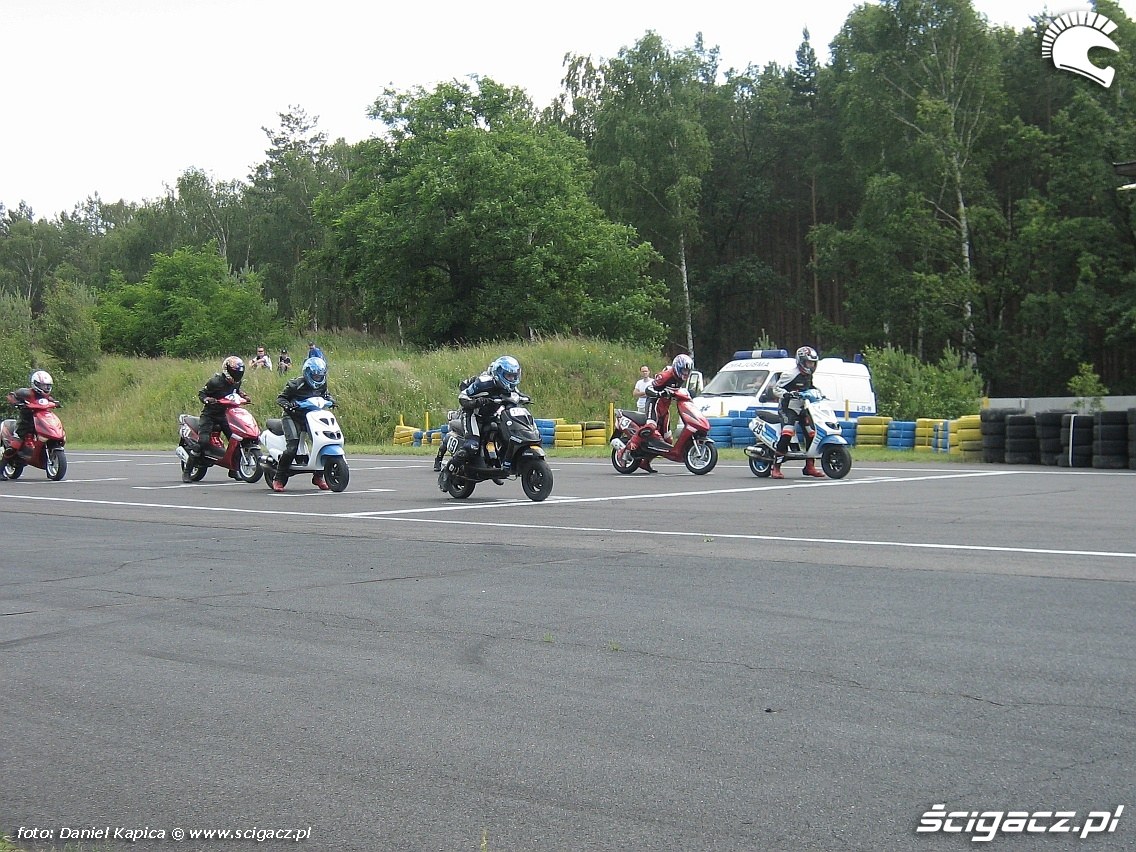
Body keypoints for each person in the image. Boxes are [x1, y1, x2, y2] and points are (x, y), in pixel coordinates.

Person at [439, 356, 521, 482]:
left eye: (514, 376)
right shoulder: (483, 382)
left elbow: (517, 396)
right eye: (509, 376)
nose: (512, 379)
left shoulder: (509, 386)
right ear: (499, 373)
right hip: (473, 414)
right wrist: (476, 402)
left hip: (491, 416)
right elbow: (463, 396)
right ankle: (448, 470)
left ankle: (496, 466)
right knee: (472, 445)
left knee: (505, 436)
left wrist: (524, 398)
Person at [271, 355, 334, 492]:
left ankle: (318, 476)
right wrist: (288, 406)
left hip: (312, 417)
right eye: (315, 376)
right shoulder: (295, 384)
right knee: (292, 447)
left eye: (320, 376)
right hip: (293, 417)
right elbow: (281, 398)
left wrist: (331, 400)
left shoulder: (323, 384)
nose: (318, 378)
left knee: (322, 442)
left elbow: (326, 395)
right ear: (308, 373)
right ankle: (278, 478)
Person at [187, 356, 248, 481]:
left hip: (226, 414)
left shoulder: (236, 382)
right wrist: (206, 399)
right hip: (210, 414)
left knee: (236, 439)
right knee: (203, 441)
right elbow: (202, 393)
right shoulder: (215, 382)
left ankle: (234, 470)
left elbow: (236, 391)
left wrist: (243, 395)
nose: (237, 375)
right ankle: (187, 471)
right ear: (227, 370)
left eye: (239, 373)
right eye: (235, 372)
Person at [769, 345, 825, 480]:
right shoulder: (790, 374)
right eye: (809, 362)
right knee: (787, 433)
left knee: (812, 434)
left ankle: (809, 466)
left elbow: (810, 387)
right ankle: (776, 467)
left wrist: (819, 393)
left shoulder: (809, 375)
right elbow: (776, 389)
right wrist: (787, 394)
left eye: (813, 363)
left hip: (802, 408)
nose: (811, 366)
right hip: (788, 408)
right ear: (801, 361)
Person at [4, 370, 57, 461]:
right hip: (26, 420)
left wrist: (56, 403)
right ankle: (2, 466)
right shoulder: (26, 392)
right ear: (36, 384)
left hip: (41, 420)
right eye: (43, 385)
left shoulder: (46, 396)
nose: (46, 388)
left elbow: (51, 400)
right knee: (15, 445)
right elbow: (11, 396)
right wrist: (17, 403)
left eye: (48, 386)